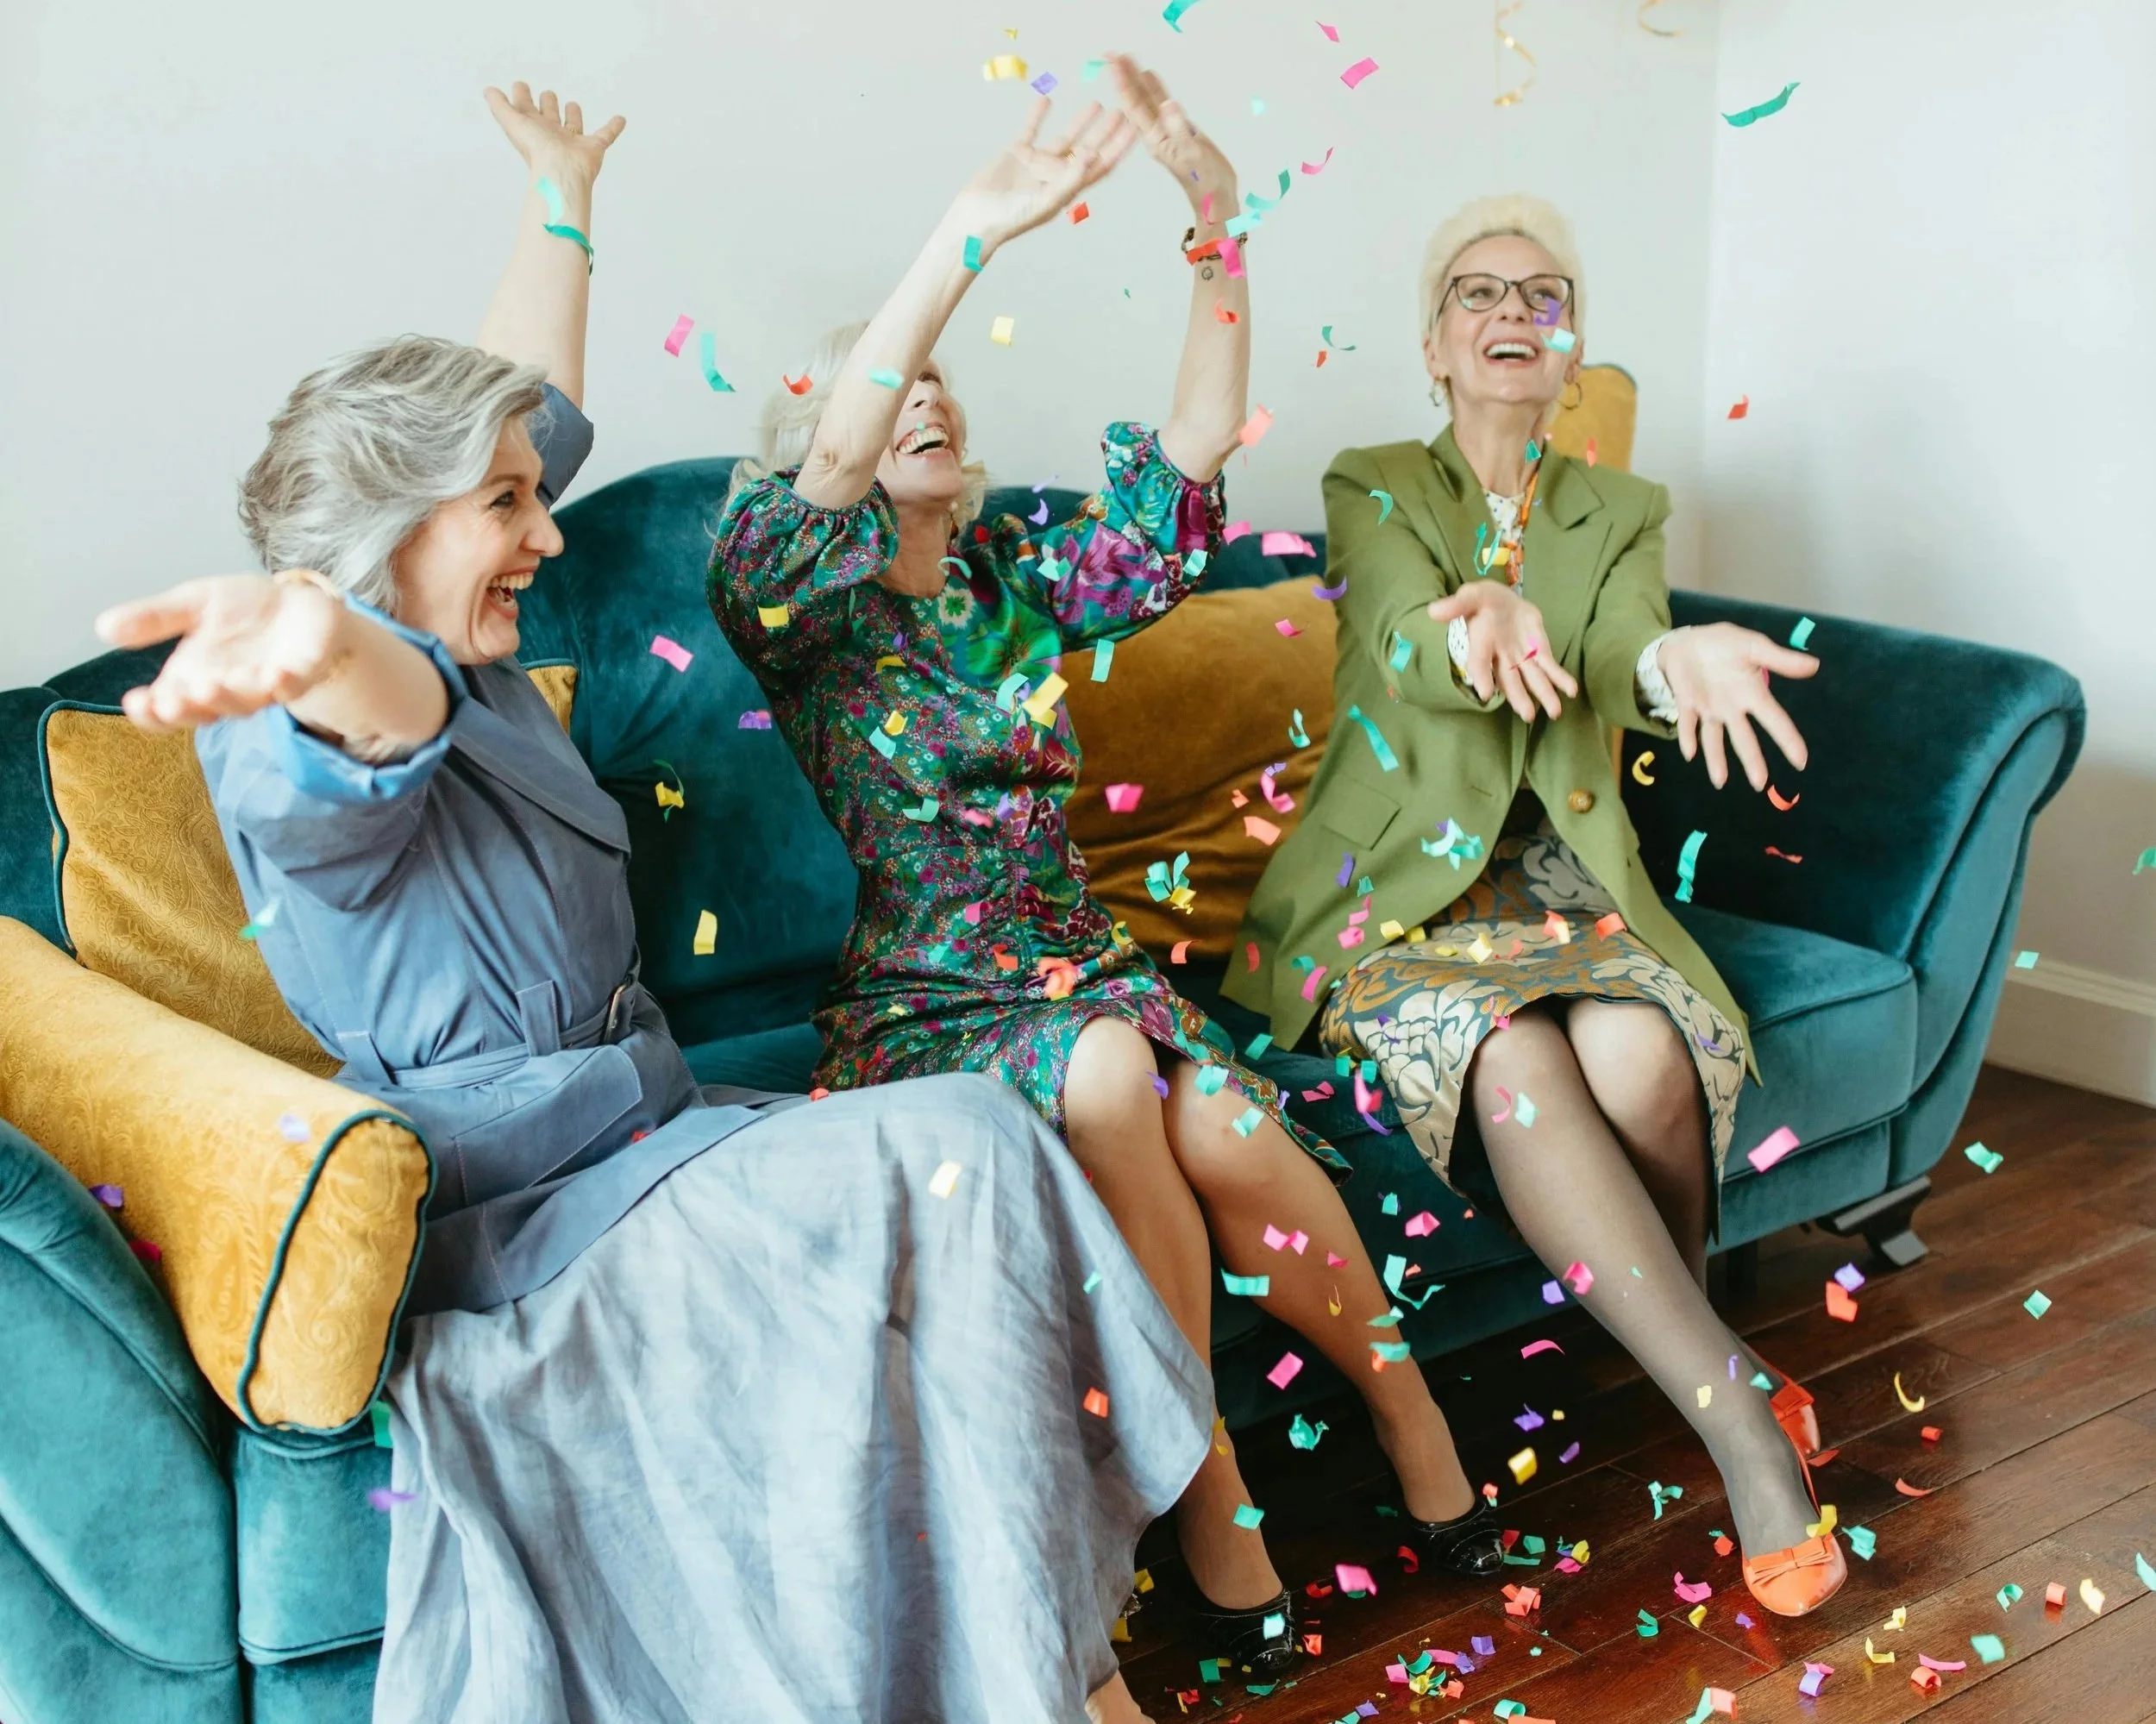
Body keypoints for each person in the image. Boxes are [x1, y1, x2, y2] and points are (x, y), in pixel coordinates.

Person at [96, 84, 1212, 1724]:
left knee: (961, 1181)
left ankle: (1058, 1663)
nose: (550, 531)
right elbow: (371, 706)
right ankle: (1067, 1676)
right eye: (509, 507)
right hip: (523, 1221)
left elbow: (517, 411)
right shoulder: (306, 725)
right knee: (959, 1140)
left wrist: (563, 202)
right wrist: (310, 636)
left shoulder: (462, 635)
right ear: (385, 542)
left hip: (659, 1137)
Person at [706, 59, 1502, 1679]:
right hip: (928, 998)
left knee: (1213, 1109)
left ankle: (1405, 1405)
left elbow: (1196, 451)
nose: (923, 395)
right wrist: (967, 240)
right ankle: (1212, 1495)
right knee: (1107, 1065)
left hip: (1084, 969)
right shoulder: (795, 605)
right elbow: (837, 454)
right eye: (885, 386)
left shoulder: (1014, 572)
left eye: (943, 386)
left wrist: (1215, 219)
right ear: (832, 441)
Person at [1232, 194, 1843, 1618]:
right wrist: (1480, 620)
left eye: (1543, 296)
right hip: (1396, 902)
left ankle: (1702, 1359)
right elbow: (1395, 631)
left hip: (1563, 883)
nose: (1513, 314)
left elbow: (1629, 650)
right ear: (1434, 344)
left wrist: (1671, 662)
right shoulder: (1372, 481)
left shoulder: (1620, 508)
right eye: (1477, 293)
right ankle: (1744, 1427)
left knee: (1637, 1054)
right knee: (1510, 1057)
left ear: (1572, 347)